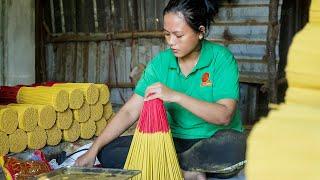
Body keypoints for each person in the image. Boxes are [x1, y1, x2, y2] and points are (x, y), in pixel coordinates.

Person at [75, 0, 246, 179]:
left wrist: (176, 96)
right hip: (172, 141)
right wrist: (93, 149)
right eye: (166, 34)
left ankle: (167, 166)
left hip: (211, 140)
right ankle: (184, 171)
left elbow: (224, 115)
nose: (171, 42)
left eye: (178, 35)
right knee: (109, 150)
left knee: (232, 146)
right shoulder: (160, 64)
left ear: (201, 32)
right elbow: (129, 111)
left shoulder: (221, 59)